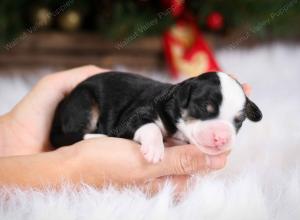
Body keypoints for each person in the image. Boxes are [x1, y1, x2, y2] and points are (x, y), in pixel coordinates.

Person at [0, 65, 249, 195]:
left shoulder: (185, 105)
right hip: (93, 97)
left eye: (236, 120)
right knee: (89, 99)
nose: (221, 134)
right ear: (184, 97)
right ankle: (73, 138)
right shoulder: (164, 105)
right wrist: (151, 134)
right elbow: (137, 121)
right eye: (206, 110)